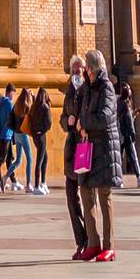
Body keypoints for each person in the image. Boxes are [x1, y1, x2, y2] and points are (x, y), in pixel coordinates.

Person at [73, 47, 123, 259]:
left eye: (86, 67)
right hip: (88, 147)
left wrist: (84, 123)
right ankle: (93, 243)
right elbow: (78, 110)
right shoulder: (88, 87)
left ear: (92, 68)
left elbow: (105, 117)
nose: (84, 71)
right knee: (85, 191)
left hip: (103, 148)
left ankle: (108, 245)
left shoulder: (106, 88)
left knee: (104, 195)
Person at [60, 57, 89, 254]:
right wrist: (68, 122)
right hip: (71, 148)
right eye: (74, 72)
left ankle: (91, 239)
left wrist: (82, 122)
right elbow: (62, 118)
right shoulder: (69, 93)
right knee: (71, 197)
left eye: (79, 72)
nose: (76, 75)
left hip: (84, 148)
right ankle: (80, 240)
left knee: (86, 196)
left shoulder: (89, 92)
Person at [115, 70, 140, 188]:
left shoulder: (119, 102)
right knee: (132, 156)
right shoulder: (126, 105)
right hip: (127, 134)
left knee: (119, 158)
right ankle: (139, 177)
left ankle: (118, 179)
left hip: (121, 134)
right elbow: (128, 120)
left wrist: (135, 113)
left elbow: (127, 117)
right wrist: (133, 134)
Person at [27, 85, 52, 195]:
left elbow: (30, 121)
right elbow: (49, 123)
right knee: (40, 160)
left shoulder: (34, 106)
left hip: (35, 136)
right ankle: (37, 185)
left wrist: (34, 132)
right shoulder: (45, 107)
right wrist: (42, 130)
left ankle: (43, 182)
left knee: (44, 157)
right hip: (41, 135)